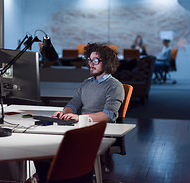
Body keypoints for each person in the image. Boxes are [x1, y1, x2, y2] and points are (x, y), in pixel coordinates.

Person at [34, 43, 125, 182]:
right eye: (89, 60)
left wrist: (78, 117)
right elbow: (74, 103)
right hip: (79, 126)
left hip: (97, 130)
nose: (91, 64)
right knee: (41, 152)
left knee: (58, 153)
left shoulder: (115, 86)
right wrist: (65, 112)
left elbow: (108, 115)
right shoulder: (86, 83)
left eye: (95, 60)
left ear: (107, 63)